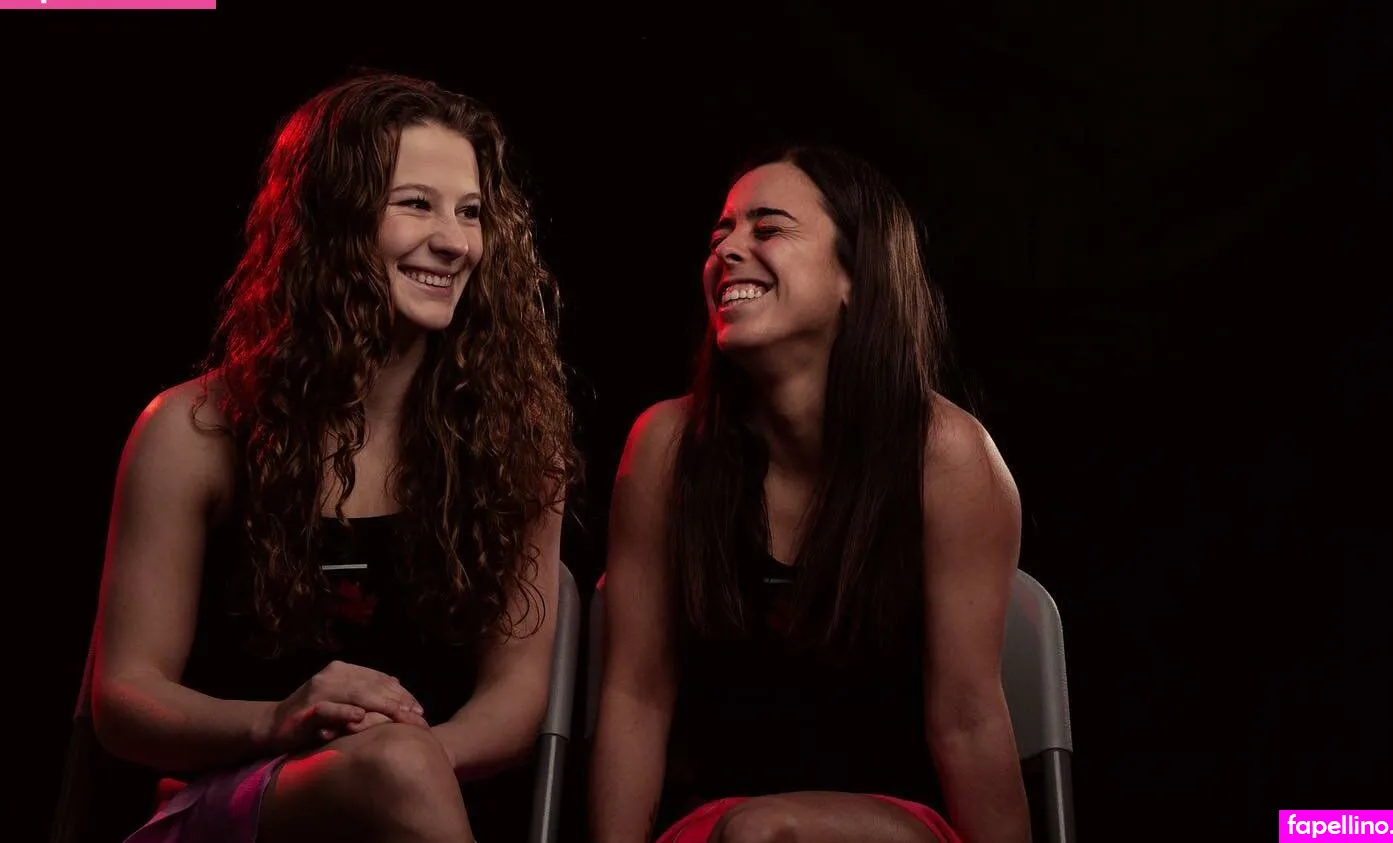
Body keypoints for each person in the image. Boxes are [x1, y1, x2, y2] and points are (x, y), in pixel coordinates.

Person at [89, 71, 579, 843]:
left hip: (422, 800)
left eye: (470, 211)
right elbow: (124, 699)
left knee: (399, 766)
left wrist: (402, 762)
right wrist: (277, 722)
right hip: (222, 806)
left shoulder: (517, 441)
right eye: (415, 203)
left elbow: (515, 701)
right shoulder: (192, 430)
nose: (454, 240)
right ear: (332, 219)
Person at [589, 145, 1031, 843]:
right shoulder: (664, 448)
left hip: (896, 823)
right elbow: (636, 698)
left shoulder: (948, 457)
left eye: (767, 228)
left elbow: (968, 719)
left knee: (765, 830)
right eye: (721, 233)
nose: (727, 250)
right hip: (712, 827)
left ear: (855, 274)